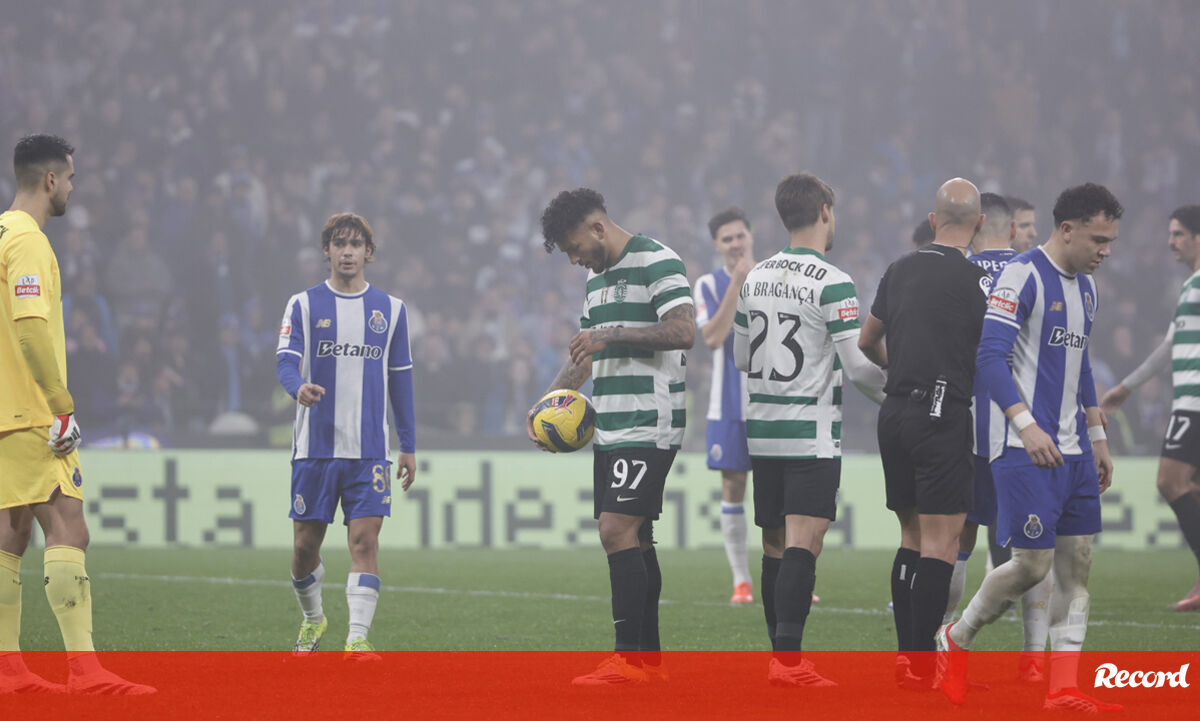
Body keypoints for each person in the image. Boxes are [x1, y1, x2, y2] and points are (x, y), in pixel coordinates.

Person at [938, 183, 1123, 712]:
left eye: (1110, 241)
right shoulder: (1021, 276)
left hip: (1075, 451)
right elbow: (989, 358)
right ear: (1066, 230)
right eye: (1098, 239)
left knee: (1076, 566)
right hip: (1023, 449)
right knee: (1032, 567)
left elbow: (1080, 366)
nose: (1106, 250)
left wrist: (1097, 437)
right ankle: (957, 637)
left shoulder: (1088, 289)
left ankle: (1063, 689)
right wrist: (1025, 426)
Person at [0, 134, 154, 695]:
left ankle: (8, 671)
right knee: (69, 525)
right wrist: (60, 405)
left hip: (3, 411)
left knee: (11, 532)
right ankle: (85, 673)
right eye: (69, 178)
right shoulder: (28, 241)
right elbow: (29, 328)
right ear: (50, 180)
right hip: (29, 411)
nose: (71, 188)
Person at [529, 188, 692, 685]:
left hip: (650, 420)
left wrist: (611, 333)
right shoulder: (595, 280)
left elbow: (683, 331)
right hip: (611, 425)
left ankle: (625, 662)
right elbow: (585, 355)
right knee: (636, 539)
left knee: (613, 530)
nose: (574, 259)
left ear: (597, 227)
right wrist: (545, 404)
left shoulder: (657, 261)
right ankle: (649, 664)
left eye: (574, 247)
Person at [733, 173, 885, 686]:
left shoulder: (754, 278)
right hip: (809, 431)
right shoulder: (833, 281)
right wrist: (899, 398)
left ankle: (780, 660)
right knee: (805, 542)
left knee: (775, 544)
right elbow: (859, 368)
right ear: (824, 211)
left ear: (783, 218)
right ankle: (789, 664)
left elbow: (740, 357)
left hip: (763, 430)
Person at [858, 178, 989, 687]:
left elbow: (867, 341)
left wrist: (899, 366)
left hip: (895, 414)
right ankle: (920, 665)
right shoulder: (977, 281)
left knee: (911, 536)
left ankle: (906, 660)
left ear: (934, 221)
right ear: (979, 224)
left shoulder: (899, 269)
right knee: (941, 543)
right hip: (942, 413)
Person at [276, 212, 416, 658]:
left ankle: (357, 638)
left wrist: (408, 445)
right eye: (340, 244)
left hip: (370, 450)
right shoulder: (303, 304)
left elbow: (401, 380)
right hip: (315, 448)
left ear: (369, 253)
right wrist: (297, 387)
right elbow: (285, 361)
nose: (348, 252)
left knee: (364, 542)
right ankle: (313, 619)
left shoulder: (391, 310)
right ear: (327, 251)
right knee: (304, 548)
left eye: (356, 244)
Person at [945, 192, 1054, 683]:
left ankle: (946, 638)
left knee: (958, 539)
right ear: (1013, 230)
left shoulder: (955, 274)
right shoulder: (1036, 274)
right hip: (1026, 429)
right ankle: (1032, 659)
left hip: (966, 428)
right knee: (1035, 546)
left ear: (973, 227)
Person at [1101, 204, 1200, 612]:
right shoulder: (1191, 285)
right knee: (1192, 487)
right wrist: (1127, 387)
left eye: (1178, 234)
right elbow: (1171, 346)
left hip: (1195, 404)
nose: (1171, 241)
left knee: (1169, 481)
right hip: (1188, 400)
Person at [694, 207, 755, 604]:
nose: (735, 244)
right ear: (717, 246)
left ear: (751, 236)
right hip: (728, 403)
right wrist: (737, 283)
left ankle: (792, 580)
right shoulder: (707, 284)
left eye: (739, 236)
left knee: (781, 491)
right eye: (727, 239)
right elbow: (713, 337)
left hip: (772, 402)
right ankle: (741, 580)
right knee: (733, 486)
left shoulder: (775, 278)